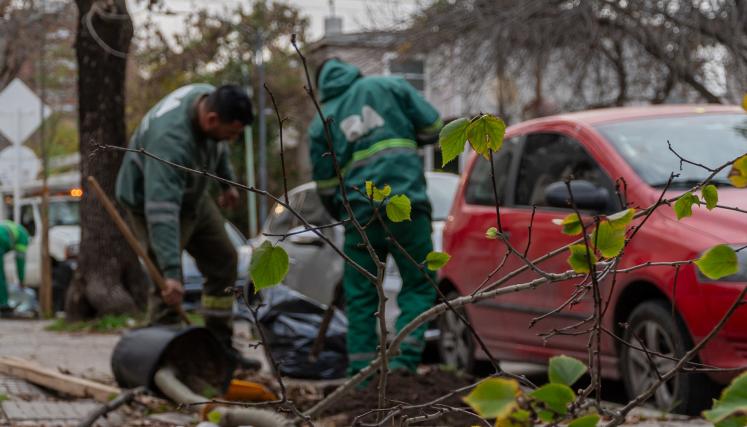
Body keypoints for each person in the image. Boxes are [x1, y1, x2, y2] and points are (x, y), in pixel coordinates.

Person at [308, 58, 443, 376]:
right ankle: (404, 363)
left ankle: (361, 376)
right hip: (406, 203)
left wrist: (345, 215)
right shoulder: (389, 86)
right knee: (419, 282)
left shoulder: (321, 122)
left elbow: (326, 186)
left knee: (361, 295)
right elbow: (434, 127)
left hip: (359, 215)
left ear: (321, 86)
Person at [116, 84, 259, 369]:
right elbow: (162, 211)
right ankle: (164, 358)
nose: (231, 140)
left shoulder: (210, 98)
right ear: (211, 120)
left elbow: (218, 148)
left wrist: (226, 182)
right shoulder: (170, 142)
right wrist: (169, 272)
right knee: (168, 287)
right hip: (149, 200)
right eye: (230, 134)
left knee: (224, 261)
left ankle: (218, 350)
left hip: (192, 194)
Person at [0, 220, 29, 316]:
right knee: (1, 276)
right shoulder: (23, 237)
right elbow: (20, 261)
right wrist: (21, 280)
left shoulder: (11, 226)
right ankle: (3, 305)